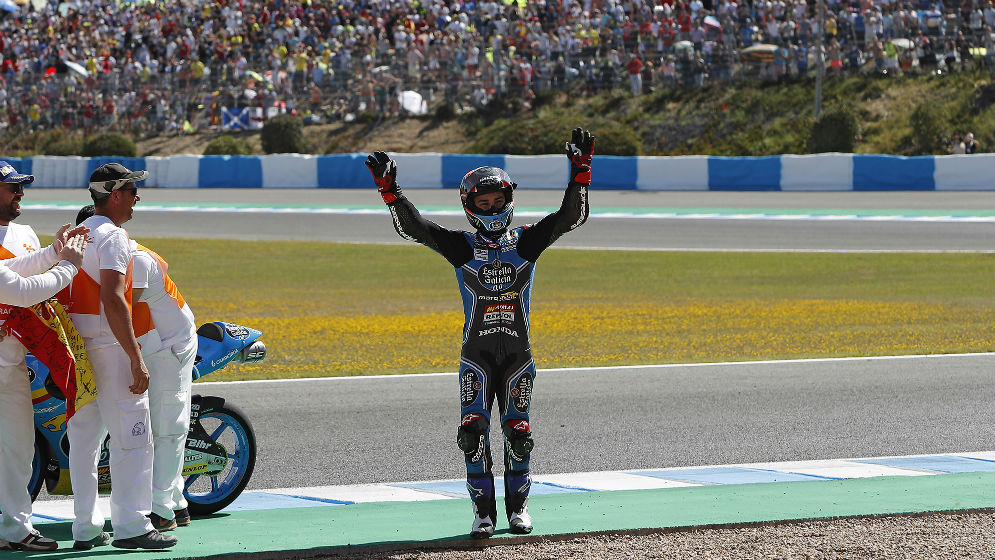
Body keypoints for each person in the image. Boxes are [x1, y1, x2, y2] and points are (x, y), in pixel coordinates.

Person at [366, 127, 595, 539]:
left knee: (518, 433)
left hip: (518, 356)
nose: (491, 208)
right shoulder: (461, 246)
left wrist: (581, 172)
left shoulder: (527, 242)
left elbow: (569, 218)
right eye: (482, 202)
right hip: (476, 356)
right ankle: (482, 514)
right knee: (472, 432)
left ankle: (520, 509)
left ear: (509, 201)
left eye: (497, 200)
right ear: (470, 206)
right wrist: (391, 192)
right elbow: (416, 228)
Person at [58, 163, 177, 551]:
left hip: (78, 350)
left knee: (84, 442)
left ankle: (86, 528)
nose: (136, 197)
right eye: (131, 190)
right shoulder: (114, 237)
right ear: (114, 195)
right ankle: (132, 526)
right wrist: (135, 356)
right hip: (109, 348)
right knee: (133, 439)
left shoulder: (76, 233)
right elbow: (112, 297)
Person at [75, 205, 198, 533]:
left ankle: (161, 509)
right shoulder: (98, 252)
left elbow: (116, 308)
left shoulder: (135, 259)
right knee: (149, 425)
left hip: (169, 344)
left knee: (166, 427)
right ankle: (175, 501)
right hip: (143, 340)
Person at [0, 162, 89, 552]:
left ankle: (13, 530)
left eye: (21, 185)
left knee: (18, 450)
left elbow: (11, 269)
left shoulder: (21, 234)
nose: (19, 192)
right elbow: (20, 290)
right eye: (10, 187)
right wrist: (68, 264)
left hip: (11, 362)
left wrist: (54, 251)